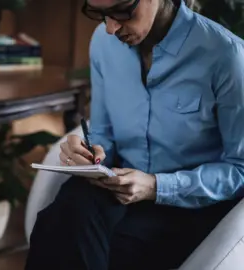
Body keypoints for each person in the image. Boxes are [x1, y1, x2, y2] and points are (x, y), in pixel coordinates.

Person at [25, 0, 244, 269]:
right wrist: (88, 149)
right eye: (101, 14)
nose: (110, 28)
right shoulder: (103, 44)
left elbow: (240, 169)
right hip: (117, 189)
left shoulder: (226, 56)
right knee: (59, 220)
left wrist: (156, 186)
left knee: (108, 250)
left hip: (186, 208)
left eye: (121, 12)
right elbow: (104, 132)